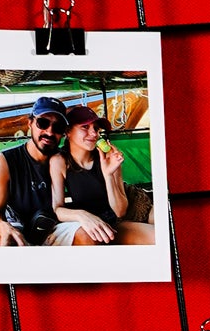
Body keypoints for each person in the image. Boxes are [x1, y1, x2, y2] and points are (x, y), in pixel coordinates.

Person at [50, 102, 153, 246]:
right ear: (68, 131)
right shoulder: (59, 161)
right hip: (104, 223)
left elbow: (120, 211)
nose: (94, 134)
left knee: (166, 231)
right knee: (155, 237)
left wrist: (108, 175)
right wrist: (82, 215)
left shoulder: (108, 155)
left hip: (135, 205)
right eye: (85, 127)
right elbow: (57, 209)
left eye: (96, 128)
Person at [0, 99, 67, 248]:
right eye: (43, 123)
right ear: (30, 123)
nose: (50, 132)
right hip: (17, 225)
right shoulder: (6, 160)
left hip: (55, 226)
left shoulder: (65, 160)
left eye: (58, 127)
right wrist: (3, 227)